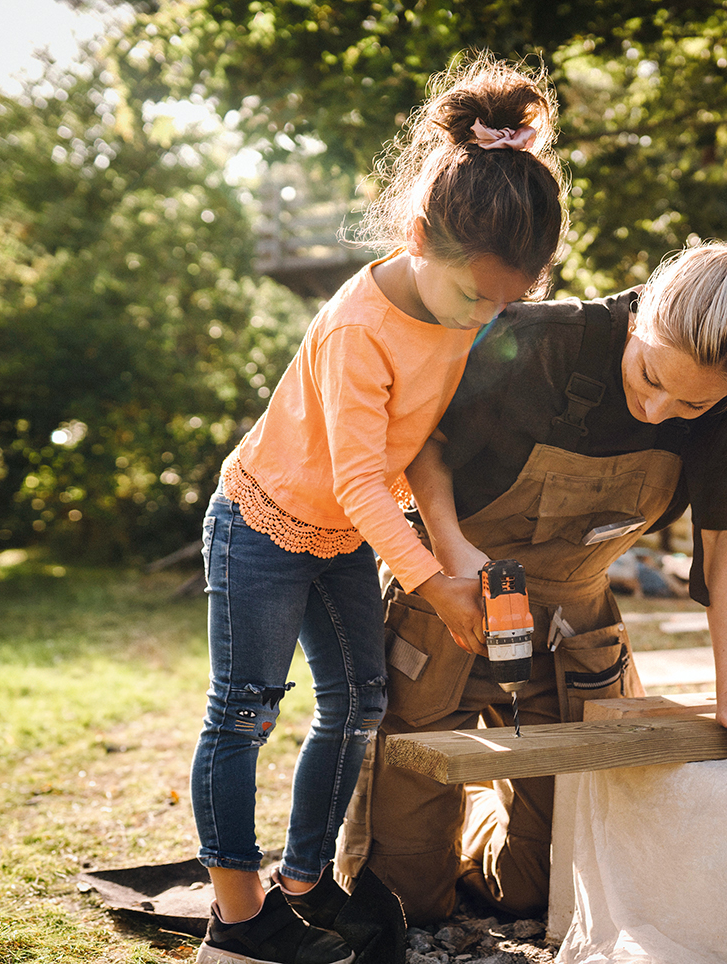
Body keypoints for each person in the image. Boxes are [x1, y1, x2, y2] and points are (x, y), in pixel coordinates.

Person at [336, 238, 727, 925]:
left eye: (689, 406)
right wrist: (451, 555)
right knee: (400, 900)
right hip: (449, 604)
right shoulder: (540, 342)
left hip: (576, 631)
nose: (660, 411)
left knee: (548, 887)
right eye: (651, 377)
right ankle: (429, 834)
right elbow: (429, 444)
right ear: (642, 318)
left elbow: (725, 545)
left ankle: (480, 817)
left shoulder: (723, 406)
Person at [190, 54, 565, 964]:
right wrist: (436, 587)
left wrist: (451, 544)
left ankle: (306, 884)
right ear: (418, 236)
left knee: (360, 702)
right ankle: (236, 925)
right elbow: (361, 481)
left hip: (346, 536)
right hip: (263, 525)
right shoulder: (361, 328)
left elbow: (423, 449)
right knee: (245, 709)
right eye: (479, 295)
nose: (489, 317)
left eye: (510, 299)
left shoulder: (462, 315)